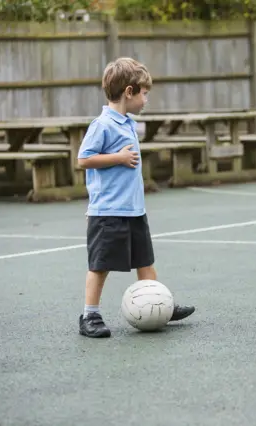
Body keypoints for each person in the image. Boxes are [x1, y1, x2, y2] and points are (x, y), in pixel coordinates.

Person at [77, 57, 195, 338]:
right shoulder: (102, 124)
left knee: (145, 261)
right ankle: (89, 315)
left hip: (134, 210)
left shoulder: (128, 122)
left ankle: (158, 303)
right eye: (144, 93)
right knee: (100, 265)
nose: (146, 99)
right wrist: (118, 157)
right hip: (107, 211)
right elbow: (84, 159)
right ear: (129, 92)